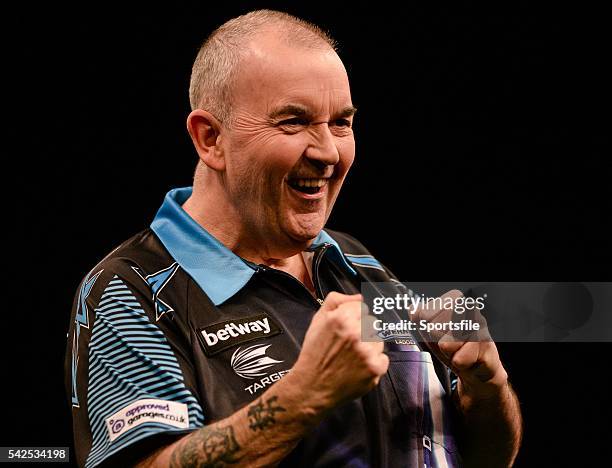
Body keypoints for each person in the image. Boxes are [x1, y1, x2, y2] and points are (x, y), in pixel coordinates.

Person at [65, 9, 522, 468]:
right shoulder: (132, 290)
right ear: (210, 139)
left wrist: (487, 388)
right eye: (293, 121)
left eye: (341, 122)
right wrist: (303, 396)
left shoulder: (355, 262)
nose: (328, 151)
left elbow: (483, 458)